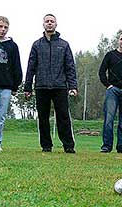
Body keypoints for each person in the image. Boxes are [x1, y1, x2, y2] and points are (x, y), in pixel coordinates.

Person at [24, 14, 77, 153]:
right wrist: (27, 87)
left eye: (52, 21)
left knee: (63, 117)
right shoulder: (36, 45)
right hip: (41, 86)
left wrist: (73, 86)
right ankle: (46, 145)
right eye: (47, 21)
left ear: (56, 24)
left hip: (60, 86)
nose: (49, 23)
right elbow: (31, 67)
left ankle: (68, 146)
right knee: (43, 117)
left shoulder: (64, 45)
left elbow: (70, 66)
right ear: (43, 24)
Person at [0, 16, 22, 152]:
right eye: (0, 26)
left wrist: (16, 85)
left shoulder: (12, 46)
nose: (3, 29)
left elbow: (16, 66)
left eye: (5, 27)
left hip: (5, 86)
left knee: (0, 116)